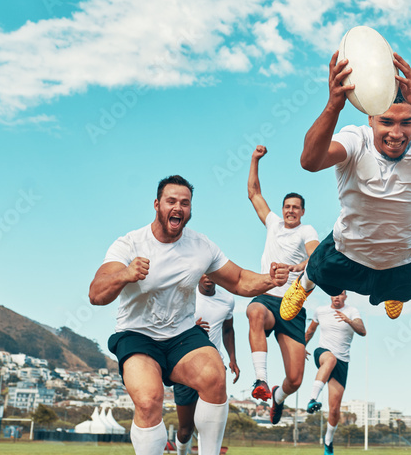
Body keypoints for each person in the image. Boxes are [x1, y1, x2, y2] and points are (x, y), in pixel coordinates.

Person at [89, 175, 289, 455]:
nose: (178, 207)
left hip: (182, 335)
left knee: (215, 377)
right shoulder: (129, 245)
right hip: (137, 335)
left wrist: (270, 279)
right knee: (148, 401)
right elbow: (96, 294)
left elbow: (240, 279)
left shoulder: (201, 246)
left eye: (185, 203)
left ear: (190, 210)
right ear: (157, 205)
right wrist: (126, 274)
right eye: (171, 201)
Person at [282, 50, 411, 321]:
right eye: (386, 122)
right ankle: (303, 285)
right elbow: (310, 161)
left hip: (402, 260)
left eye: (406, 122)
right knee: (317, 269)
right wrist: (333, 106)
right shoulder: (355, 140)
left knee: (407, 288)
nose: (396, 133)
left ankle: (393, 292)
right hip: (347, 253)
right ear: (370, 119)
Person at [245, 145, 320, 423]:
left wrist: (299, 267)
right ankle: (261, 381)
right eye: (287, 207)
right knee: (253, 312)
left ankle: (278, 397)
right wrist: (255, 159)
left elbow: (314, 258)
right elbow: (253, 193)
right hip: (267, 298)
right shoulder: (273, 224)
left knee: (296, 379)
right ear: (282, 210)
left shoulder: (306, 230)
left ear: (302, 212)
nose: (290, 211)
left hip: (291, 306)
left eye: (295, 208)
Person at [172, 275, 239, 455]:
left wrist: (233, 358)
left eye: (212, 273)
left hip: (214, 368)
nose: (208, 277)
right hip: (186, 366)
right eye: (204, 273)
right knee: (186, 430)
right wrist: (190, 327)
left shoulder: (227, 300)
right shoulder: (185, 296)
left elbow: (228, 329)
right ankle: (181, 452)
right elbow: (167, 326)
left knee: (208, 427)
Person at [304, 291, 366, 455]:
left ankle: (328, 442)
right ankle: (312, 399)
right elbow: (310, 331)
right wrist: (301, 346)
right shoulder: (320, 311)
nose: (337, 297)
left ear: (346, 296)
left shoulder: (352, 311)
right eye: (334, 294)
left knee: (334, 409)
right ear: (330, 295)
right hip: (323, 352)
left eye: (341, 294)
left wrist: (349, 321)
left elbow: (362, 331)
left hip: (342, 362)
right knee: (330, 360)